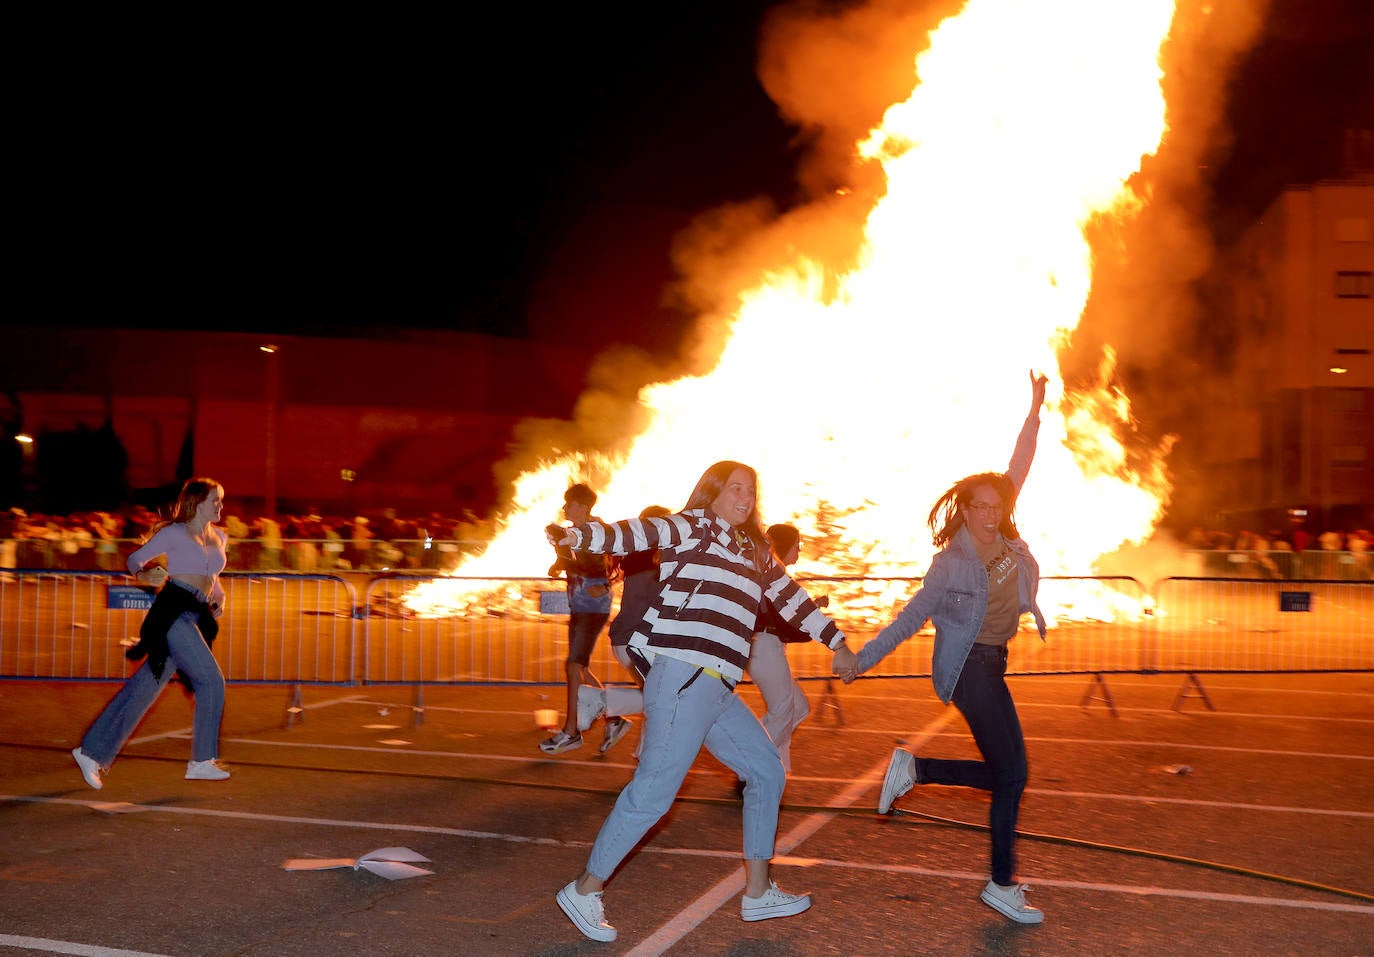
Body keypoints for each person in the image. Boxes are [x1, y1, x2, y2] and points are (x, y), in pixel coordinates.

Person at [549, 460, 859, 943]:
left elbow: (790, 597)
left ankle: (758, 892)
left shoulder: (754, 549)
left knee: (766, 771)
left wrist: (837, 643)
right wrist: (582, 537)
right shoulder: (694, 527)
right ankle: (584, 889)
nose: (745, 497)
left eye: (751, 490)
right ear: (712, 493)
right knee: (653, 792)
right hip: (683, 674)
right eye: (735, 488)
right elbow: (635, 534)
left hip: (718, 687)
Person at [839, 371, 1050, 925]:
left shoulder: (1005, 536)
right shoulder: (951, 564)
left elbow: (1020, 464)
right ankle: (1001, 883)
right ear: (964, 510)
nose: (989, 512)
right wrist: (861, 659)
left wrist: (1034, 409)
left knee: (1011, 773)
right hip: (969, 672)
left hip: (992, 666)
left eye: (995, 505)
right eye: (978, 506)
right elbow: (910, 618)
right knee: (1013, 774)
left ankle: (916, 769)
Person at [72, 477, 232, 789]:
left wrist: (219, 599)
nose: (220, 506)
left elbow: (213, 577)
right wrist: (144, 573)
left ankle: (90, 752)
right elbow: (135, 559)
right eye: (215, 500)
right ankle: (202, 761)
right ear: (197, 502)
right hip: (173, 609)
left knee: (146, 686)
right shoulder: (174, 532)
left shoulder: (219, 536)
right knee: (210, 680)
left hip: (198, 613)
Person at [575, 504, 672, 755]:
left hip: (631, 639)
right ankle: (600, 702)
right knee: (661, 698)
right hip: (635, 641)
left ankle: (641, 752)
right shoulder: (654, 560)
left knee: (660, 697)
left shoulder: (642, 557)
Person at [541, 483, 618, 755]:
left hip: (593, 606)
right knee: (578, 667)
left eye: (569, 504)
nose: (564, 508)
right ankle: (614, 717)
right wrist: (558, 564)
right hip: (579, 604)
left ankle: (571, 731)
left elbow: (618, 563)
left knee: (574, 666)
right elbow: (571, 559)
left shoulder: (599, 532)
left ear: (583, 507)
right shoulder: (572, 534)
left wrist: (608, 584)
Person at [747, 523, 817, 774]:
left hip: (768, 648)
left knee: (797, 707)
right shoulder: (773, 576)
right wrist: (813, 622)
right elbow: (785, 625)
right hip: (764, 648)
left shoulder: (776, 574)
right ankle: (753, 764)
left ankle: (767, 762)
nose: (799, 548)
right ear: (785, 545)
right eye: (797, 543)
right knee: (783, 710)